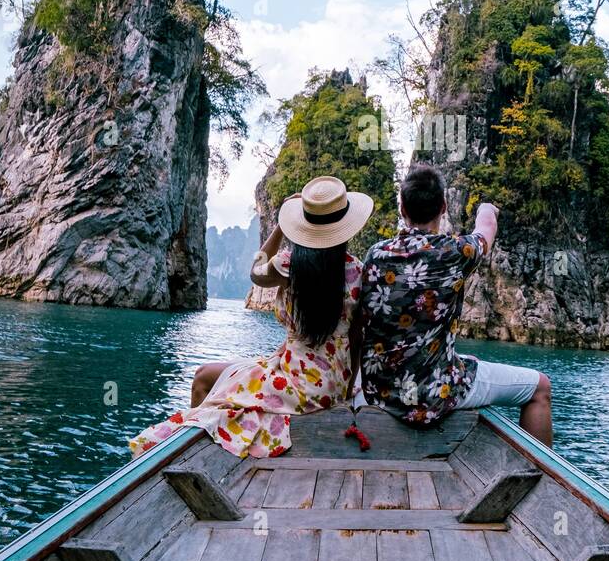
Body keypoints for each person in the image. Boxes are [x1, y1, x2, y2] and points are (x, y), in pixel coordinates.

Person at [129, 176, 373, 459]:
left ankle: (187, 455)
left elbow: (255, 271)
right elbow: (357, 338)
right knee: (220, 382)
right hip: (333, 385)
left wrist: (282, 225)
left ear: (306, 223)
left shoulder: (288, 265)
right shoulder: (358, 272)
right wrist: (345, 390)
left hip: (295, 383)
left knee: (202, 377)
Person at [360, 162, 553, 447]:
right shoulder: (455, 252)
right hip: (434, 394)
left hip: (381, 391)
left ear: (402, 209)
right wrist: (487, 208)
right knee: (541, 388)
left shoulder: (375, 255)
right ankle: (543, 482)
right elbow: (486, 228)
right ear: (444, 207)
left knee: (468, 363)